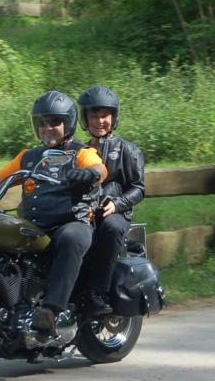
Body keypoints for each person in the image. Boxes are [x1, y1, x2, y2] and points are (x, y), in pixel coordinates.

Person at [0, 90, 107, 331]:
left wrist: (89, 173)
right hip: (35, 226)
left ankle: (51, 311)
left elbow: (100, 169)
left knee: (71, 237)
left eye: (54, 122)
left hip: (72, 222)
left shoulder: (81, 153)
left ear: (68, 123)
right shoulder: (29, 157)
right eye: (41, 123)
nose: (47, 128)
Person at [77, 85, 146, 314]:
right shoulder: (79, 151)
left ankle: (98, 292)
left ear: (113, 118)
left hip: (117, 213)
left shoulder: (128, 150)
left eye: (105, 116)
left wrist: (117, 204)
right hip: (84, 210)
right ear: (85, 119)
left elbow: (138, 188)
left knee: (111, 228)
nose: (100, 121)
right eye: (94, 116)